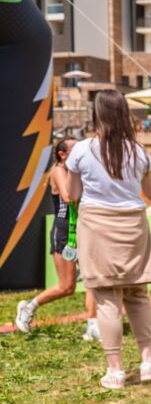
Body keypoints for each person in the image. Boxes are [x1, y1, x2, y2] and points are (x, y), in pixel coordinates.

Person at [65, 90, 151, 390]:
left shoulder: (82, 150)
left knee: (107, 299)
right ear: (124, 113)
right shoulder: (138, 151)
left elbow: (72, 195)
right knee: (137, 295)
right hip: (133, 225)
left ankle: (116, 371)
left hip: (96, 225)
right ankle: (149, 362)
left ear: (97, 114)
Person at [15, 137, 100, 340]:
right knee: (66, 287)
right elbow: (68, 196)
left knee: (93, 281)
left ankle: (92, 327)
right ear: (62, 155)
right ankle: (28, 307)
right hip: (64, 231)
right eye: (74, 150)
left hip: (83, 228)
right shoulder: (58, 171)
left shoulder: (78, 172)